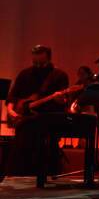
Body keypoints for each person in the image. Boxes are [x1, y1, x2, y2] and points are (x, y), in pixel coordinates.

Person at [5, 45, 69, 175]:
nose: (38, 66)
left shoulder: (59, 75)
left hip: (47, 121)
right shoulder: (25, 74)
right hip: (25, 122)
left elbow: (63, 101)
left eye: (41, 63)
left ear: (49, 59)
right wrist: (10, 110)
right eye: (35, 63)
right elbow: (12, 96)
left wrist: (60, 99)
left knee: (46, 157)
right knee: (19, 153)